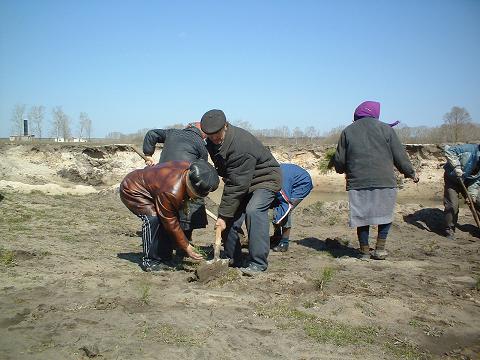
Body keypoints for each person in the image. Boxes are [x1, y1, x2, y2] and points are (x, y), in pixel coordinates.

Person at [333, 101, 419, 260]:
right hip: (385, 181)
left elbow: (339, 160)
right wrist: (411, 173)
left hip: (358, 182)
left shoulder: (348, 131)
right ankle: (380, 249)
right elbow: (400, 156)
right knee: (384, 215)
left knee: (362, 217)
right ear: (375, 113)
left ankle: (364, 251)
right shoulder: (386, 129)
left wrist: (340, 169)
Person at [200, 109, 281, 274]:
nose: (214, 138)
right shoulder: (212, 142)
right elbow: (230, 175)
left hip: (265, 178)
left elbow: (237, 185)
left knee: (253, 210)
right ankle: (233, 259)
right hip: (242, 179)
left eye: (217, 133)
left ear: (226, 126)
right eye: (210, 135)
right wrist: (225, 216)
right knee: (228, 217)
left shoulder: (241, 144)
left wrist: (223, 215)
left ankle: (258, 263)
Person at [120, 160, 219, 272]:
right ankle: (150, 261)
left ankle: (165, 257)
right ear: (191, 187)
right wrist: (186, 246)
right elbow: (170, 221)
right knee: (154, 219)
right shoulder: (171, 192)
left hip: (154, 187)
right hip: (133, 189)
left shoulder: (189, 169)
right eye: (197, 196)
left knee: (169, 220)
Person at [142, 123, 209, 246]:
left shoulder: (172, 133)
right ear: (203, 134)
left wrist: (148, 155)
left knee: (165, 209)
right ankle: (184, 241)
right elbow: (202, 167)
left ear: (188, 127)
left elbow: (152, 133)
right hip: (184, 180)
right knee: (190, 209)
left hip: (163, 178)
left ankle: (170, 240)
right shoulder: (201, 145)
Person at [270, 163, 313, 252]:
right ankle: (277, 236)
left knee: (285, 209)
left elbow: (286, 203)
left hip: (302, 184)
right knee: (275, 206)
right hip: (290, 180)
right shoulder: (272, 174)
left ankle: (284, 242)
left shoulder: (280, 179)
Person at [443, 143, 480, 240]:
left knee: (476, 201)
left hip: (469, 181)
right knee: (452, 205)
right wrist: (456, 167)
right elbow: (449, 150)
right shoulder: (468, 149)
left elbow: (477, 181)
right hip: (452, 179)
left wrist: (471, 195)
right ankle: (449, 229)